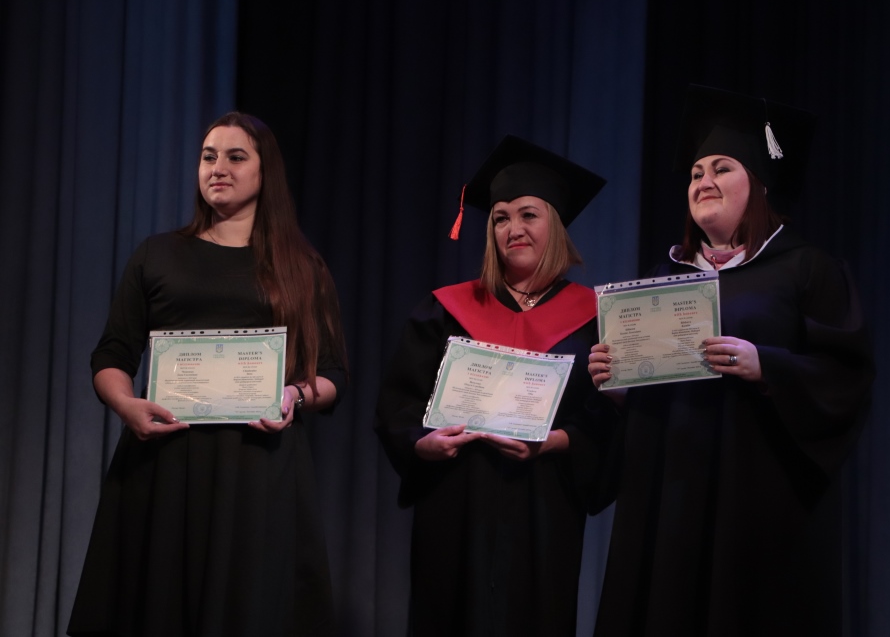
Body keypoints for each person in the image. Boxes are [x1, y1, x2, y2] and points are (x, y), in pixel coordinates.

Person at [588, 86, 874, 636]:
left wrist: (766, 365)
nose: (704, 181)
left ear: (760, 184)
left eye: (722, 168)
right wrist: (619, 388)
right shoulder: (661, 282)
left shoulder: (806, 269)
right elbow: (646, 407)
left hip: (761, 502)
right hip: (671, 505)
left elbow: (847, 376)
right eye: (696, 173)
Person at [68, 112, 348, 637]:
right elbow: (112, 354)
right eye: (208, 156)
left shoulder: (301, 267)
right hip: (165, 459)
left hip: (256, 466)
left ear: (266, 172)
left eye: (236, 157)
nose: (218, 168)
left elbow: (331, 373)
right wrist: (126, 405)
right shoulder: (158, 254)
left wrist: (293, 395)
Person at [375, 135, 616, 637]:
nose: (513, 228)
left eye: (528, 215)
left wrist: (556, 441)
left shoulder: (594, 319)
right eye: (501, 218)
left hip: (544, 509)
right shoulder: (445, 310)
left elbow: (609, 423)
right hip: (455, 504)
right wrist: (422, 442)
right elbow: (399, 404)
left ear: (556, 225)